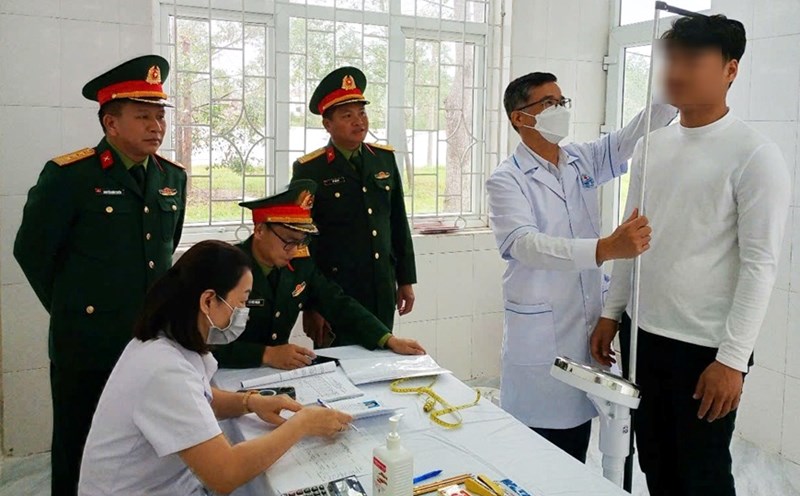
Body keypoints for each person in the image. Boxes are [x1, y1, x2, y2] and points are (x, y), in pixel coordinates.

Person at [590, 15, 789, 495]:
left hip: (704, 348)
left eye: (693, 59)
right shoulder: (652, 147)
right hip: (644, 335)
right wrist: (612, 313)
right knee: (655, 461)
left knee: (700, 474)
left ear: (730, 70)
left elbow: (761, 265)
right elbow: (630, 238)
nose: (676, 71)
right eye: (671, 59)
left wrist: (733, 360)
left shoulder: (754, 155)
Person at [13, 54, 186, 495]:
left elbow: (162, 254)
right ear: (111, 123)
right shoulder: (70, 176)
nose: (156, 126)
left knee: (141, 444)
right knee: (80, 441)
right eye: (143, 116)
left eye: (160, 116)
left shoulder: (171, 178)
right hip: (86, 342)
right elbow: (31, 251)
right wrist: (74, 308)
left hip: (148, 338)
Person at [486, 72, 677, 463]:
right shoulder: (506, 180)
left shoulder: (581, 159)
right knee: (536, 454)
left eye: (562, 101)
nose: (561, 111)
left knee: (575, 444)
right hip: (539, 339)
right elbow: (525, 245)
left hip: (586, 324)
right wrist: (605, 248)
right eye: (549, 104)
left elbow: (634, 134)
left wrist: (673, 90)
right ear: (521, 118)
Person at [78, 240, 351, 495]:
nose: (244, 311)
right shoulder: (163, 369)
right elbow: (225, 473)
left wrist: (250, 402)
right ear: (208, 301)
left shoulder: (167, 342)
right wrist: (302, 425)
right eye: (242, 301)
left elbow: (200, 398)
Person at [212, 179, 425, 369]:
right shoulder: (225, 268)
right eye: (288, 241)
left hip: (273, 376)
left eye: (301, 241)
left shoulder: (299, 265)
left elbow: (338, 303)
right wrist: (266, 354)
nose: (295, 250)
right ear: (259, 231)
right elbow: (201, 341)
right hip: (223, 376)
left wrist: (387, 339)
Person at [291, 67, 416, 347]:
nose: (358, 122)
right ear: (327, 124)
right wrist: (311, 304)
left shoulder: (383, 160)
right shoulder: (310, 169)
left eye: (362, 113)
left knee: (383, 356)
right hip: (335, 292)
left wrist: (405, 280)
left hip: (381, 286)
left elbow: (397, 221)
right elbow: (299, 238)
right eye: (347, 116)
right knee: (337, 368)